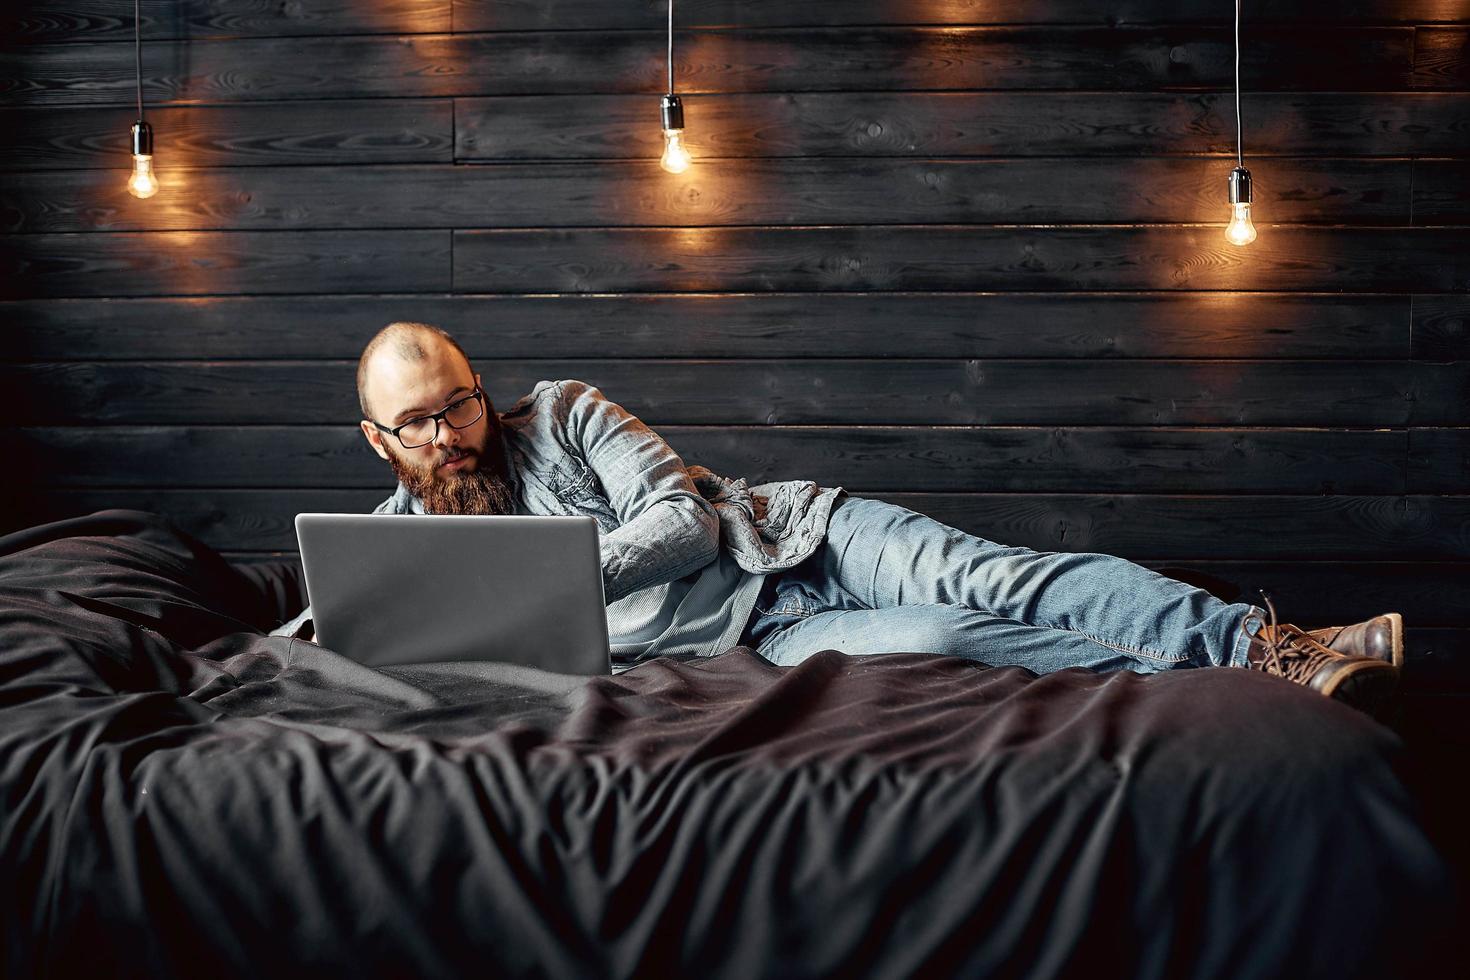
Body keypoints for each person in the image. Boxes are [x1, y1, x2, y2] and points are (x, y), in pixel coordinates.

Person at [273, 321, 1403, 716]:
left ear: (484, 387)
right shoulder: (407, 536)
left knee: (995, 581)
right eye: (416, 423)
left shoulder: (561, 414)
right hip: (762, 637)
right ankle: (1268, 668)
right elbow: (335, 621)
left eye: (458, 401)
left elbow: (681, 524)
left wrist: (531, 577)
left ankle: (1268, 644)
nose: (447, 433)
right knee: (949, 642)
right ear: (378, 439)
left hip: (795, 537)